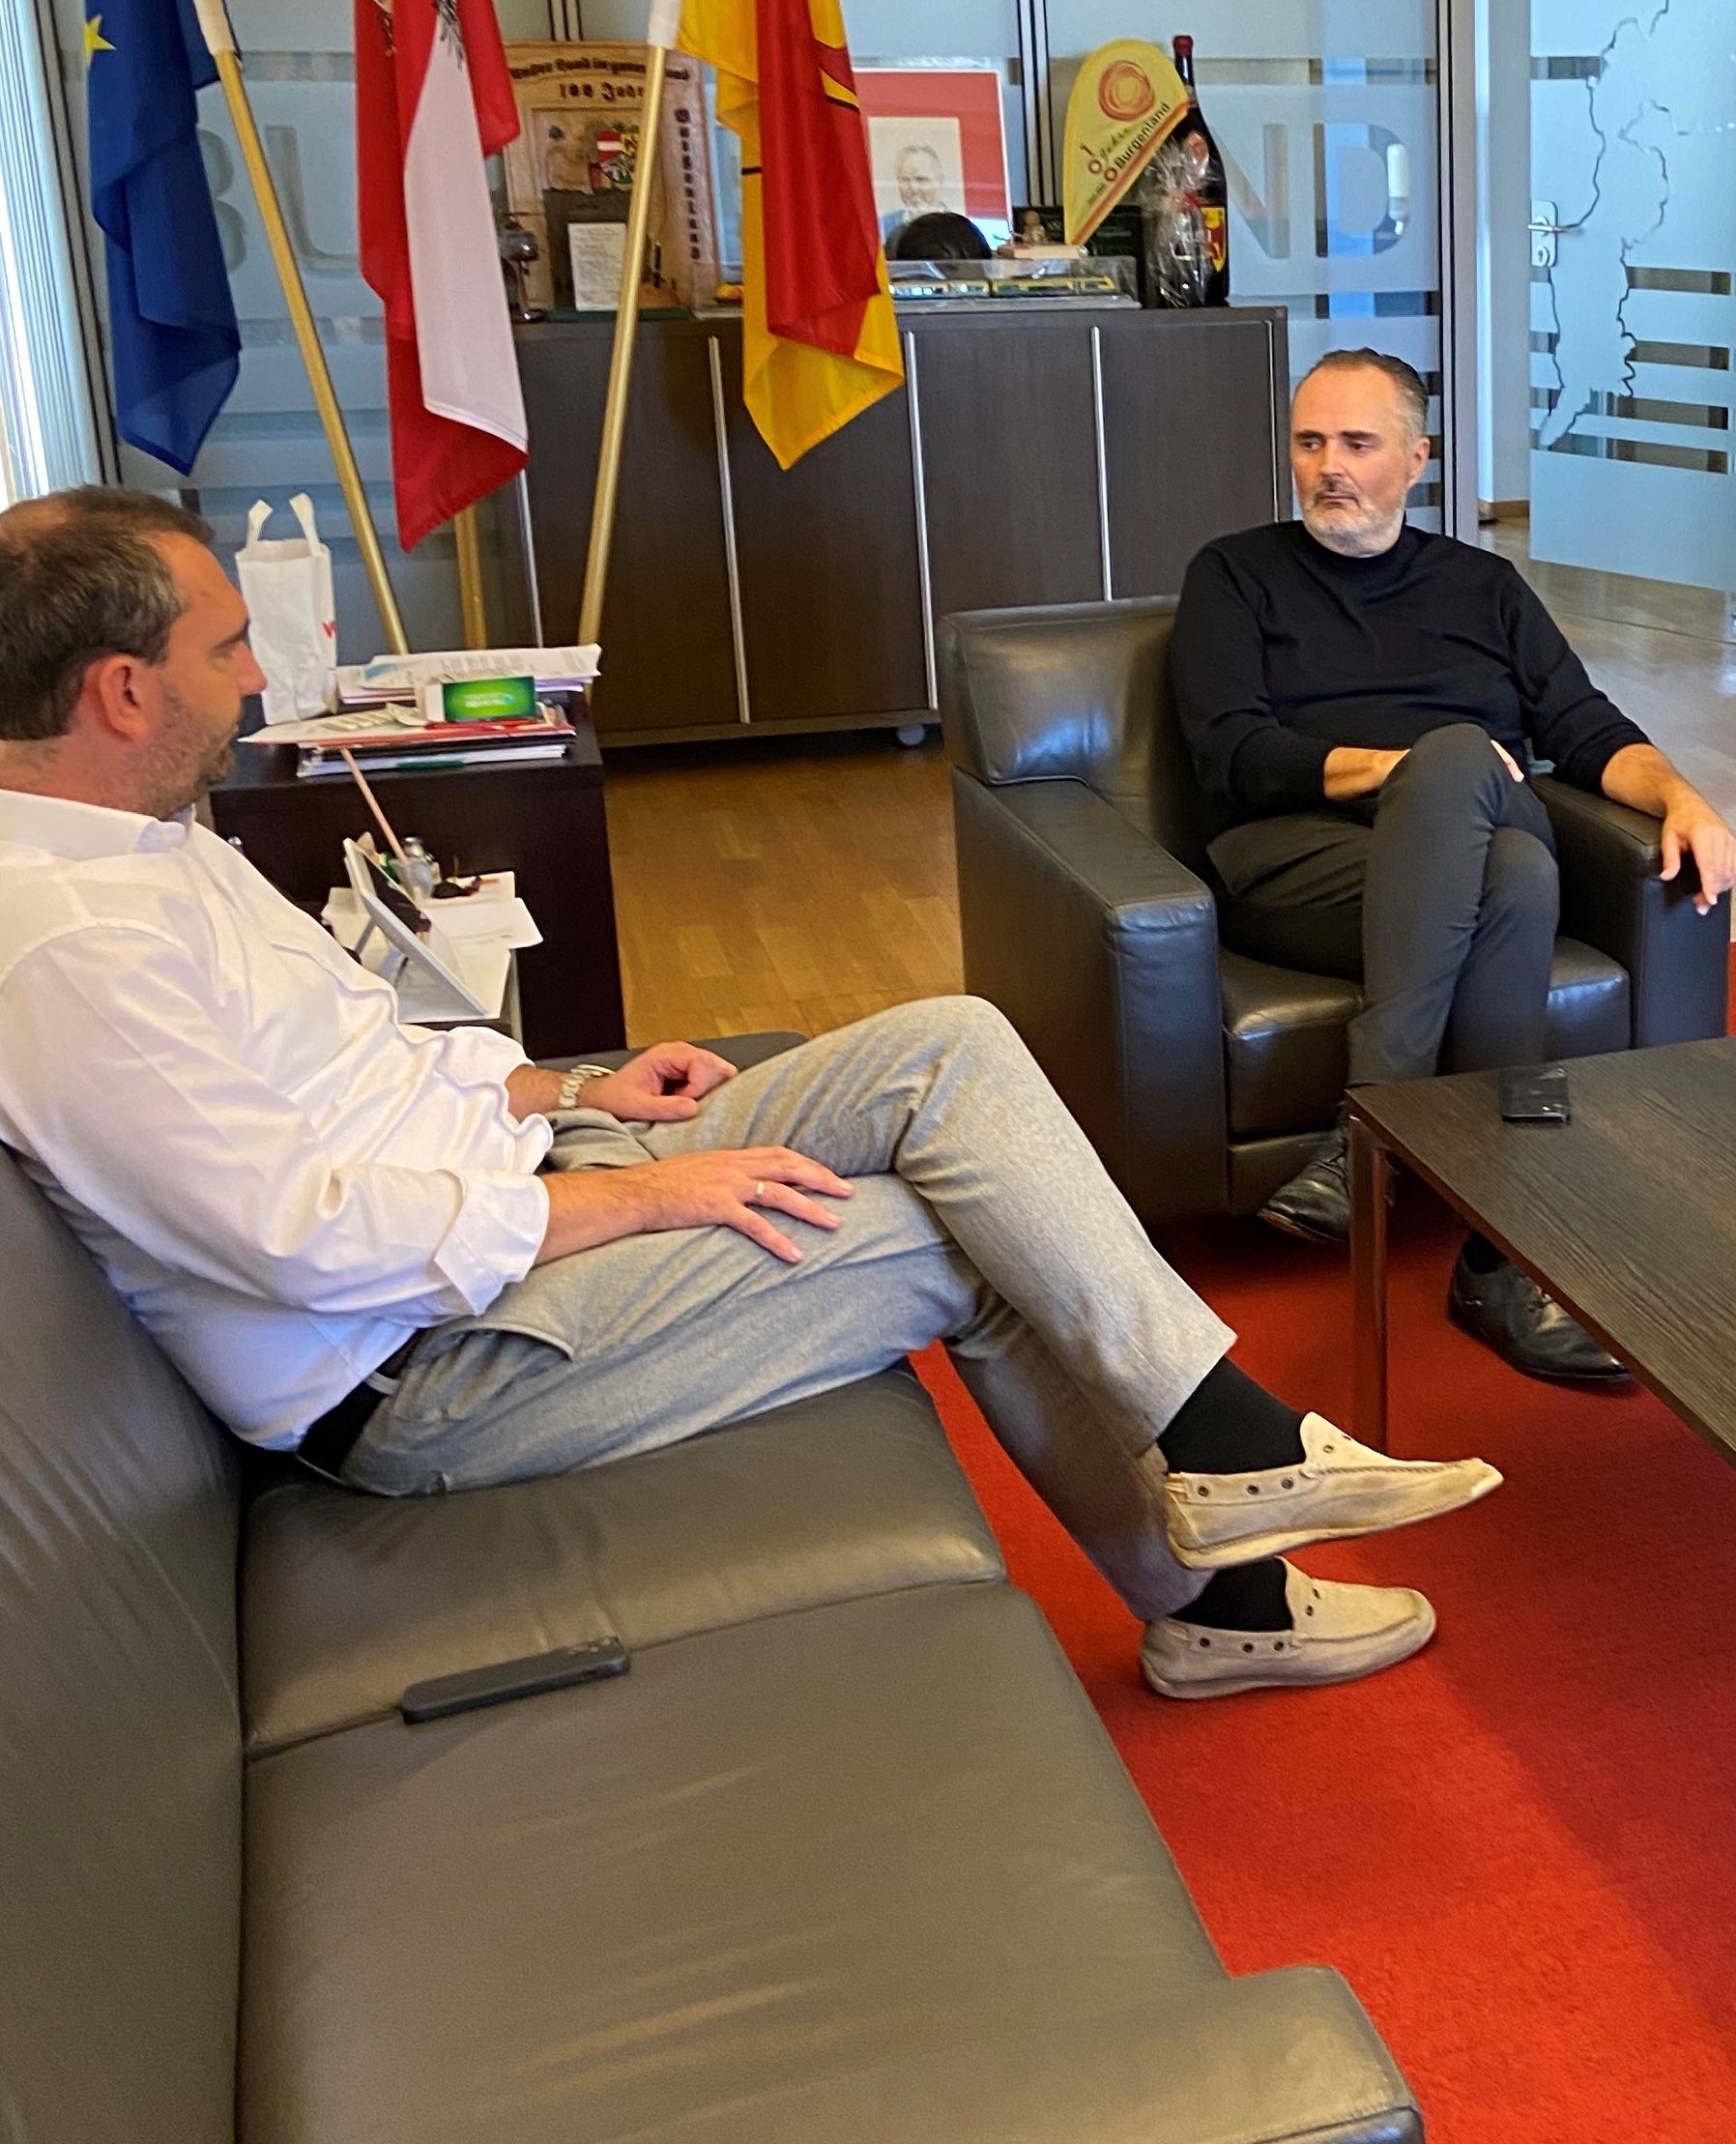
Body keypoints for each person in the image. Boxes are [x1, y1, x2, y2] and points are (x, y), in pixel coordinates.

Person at [0, 485, 1501, 1704]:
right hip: (427, 1359)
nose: (258, 672)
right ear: (123, 691)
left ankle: (1223, 1448)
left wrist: (562, 1082)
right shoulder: (68, 951)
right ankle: (1224, 1585)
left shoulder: (149, 846)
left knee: (950, 1048)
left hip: (521, 1178)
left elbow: (361, 1067)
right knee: (940, 1236)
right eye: (227, 649)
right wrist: (642, 1191)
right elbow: (305, 1238)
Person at [1171, 346, 1736, 1388]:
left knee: (1481, 814)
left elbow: (1583, 723)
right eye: (1309, 442)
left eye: (1357, 442)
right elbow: (1231, 754)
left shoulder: (1483, 586)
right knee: (1515, 874)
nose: (1328, 467)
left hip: (1457, 836)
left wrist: (1684, 796)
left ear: (1418, 457)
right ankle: (1499, 1263)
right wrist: (1411, 770)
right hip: (1295, 864)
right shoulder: (1232, 574)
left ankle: (1370, 1135)